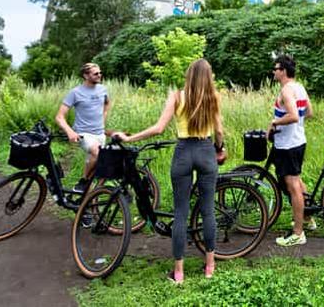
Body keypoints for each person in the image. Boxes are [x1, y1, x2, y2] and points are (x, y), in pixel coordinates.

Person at [113, 58, 225, 284]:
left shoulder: (176, 97)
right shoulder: (213, 97)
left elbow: (158, 128)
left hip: (183, 152)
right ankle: (210, 268)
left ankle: (179, 273)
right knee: (208, 211)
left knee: (181, 212)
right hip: (205, 150)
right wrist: (220, 148)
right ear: (208, 76)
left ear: (189, 75)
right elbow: (220, 131)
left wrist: (129, 137)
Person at [267, 54, 313, 247]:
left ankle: (298, 233)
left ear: (283, 71)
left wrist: (275, 122)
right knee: (298, 181)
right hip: (298, 140)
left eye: (275, 69)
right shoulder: (299, 87)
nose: (273, 72)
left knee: (293, 186)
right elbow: (308, 113)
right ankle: (308, 219)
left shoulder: (286, 90)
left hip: (288, 145)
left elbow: (294, 116)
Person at [55, 63, 111, 193]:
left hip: (100, 133)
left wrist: (103, 118)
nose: (99, 75)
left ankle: (88, 200)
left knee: (97, 164)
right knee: (96, 153)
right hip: (84, 133)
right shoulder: (75, 93)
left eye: (100, 72)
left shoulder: (102, 89)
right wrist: (70, 132)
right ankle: (84, 181)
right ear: (85, 75)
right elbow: (59, 117)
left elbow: (107, 103)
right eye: (95, 73)